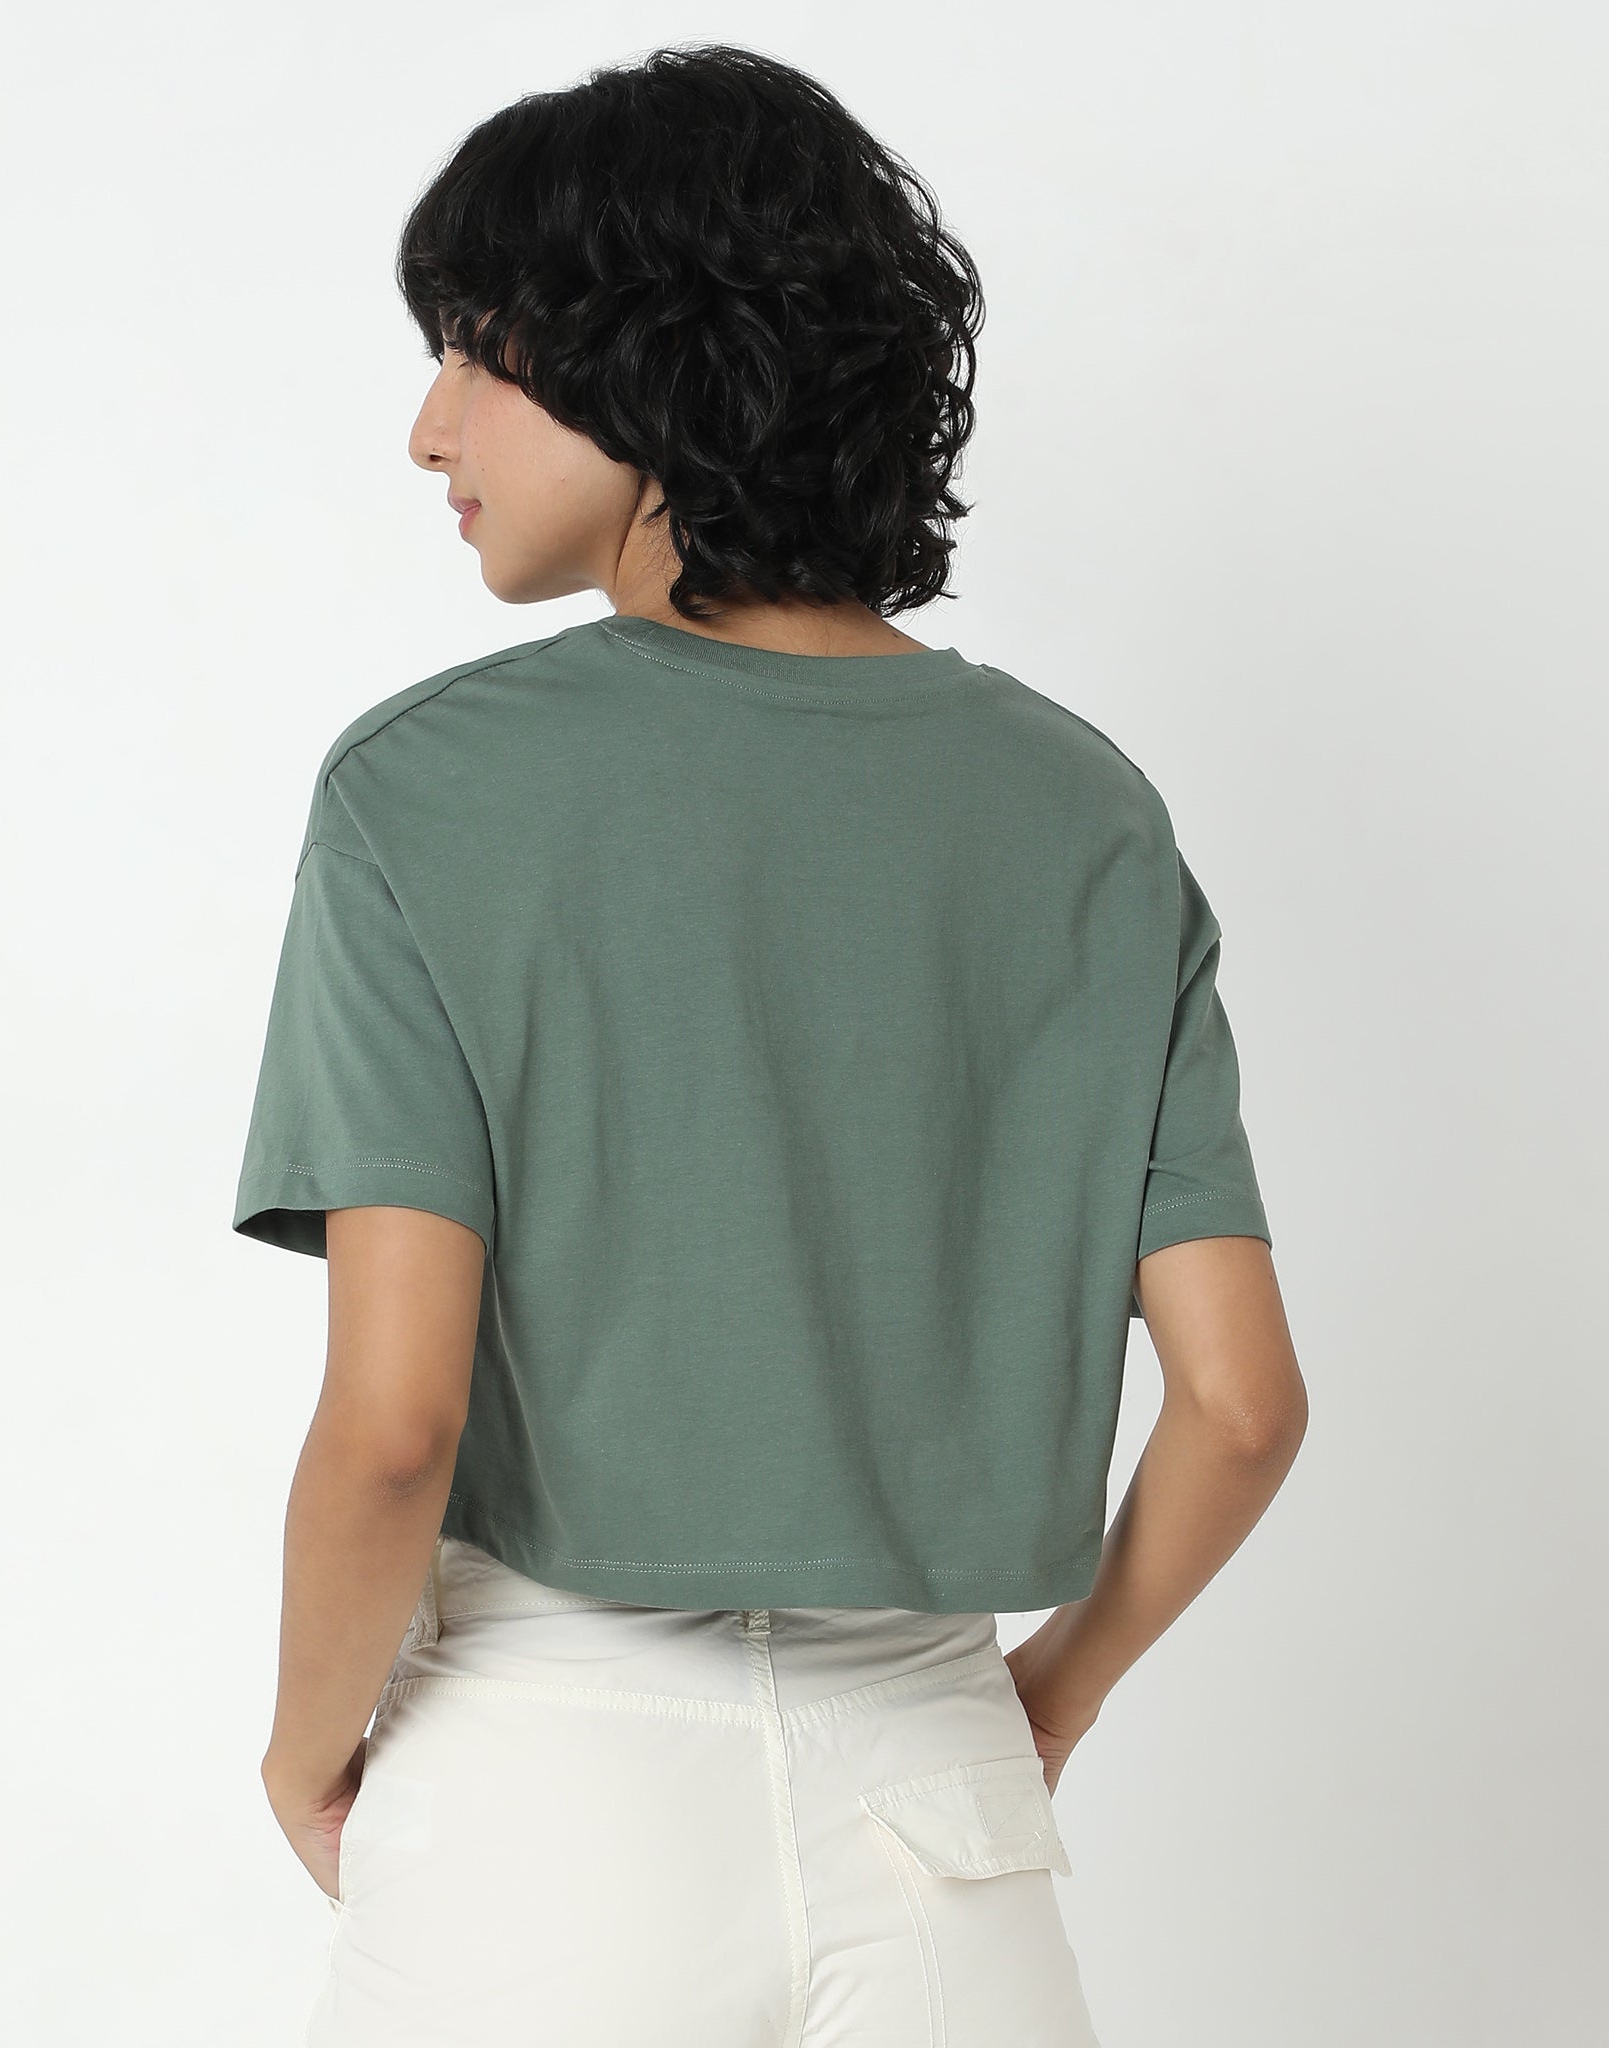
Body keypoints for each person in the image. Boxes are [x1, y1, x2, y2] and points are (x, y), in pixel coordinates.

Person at [233, 42, 1307, 2048]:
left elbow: (392, 1422)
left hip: (542, 1792)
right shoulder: (1084, 815)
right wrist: (1046, 1699)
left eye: (471, 347)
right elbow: (1241, 1404)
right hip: (940, 1806)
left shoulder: (426, 793)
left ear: (645, 355)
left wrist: (307, 1754)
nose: (426, 424)